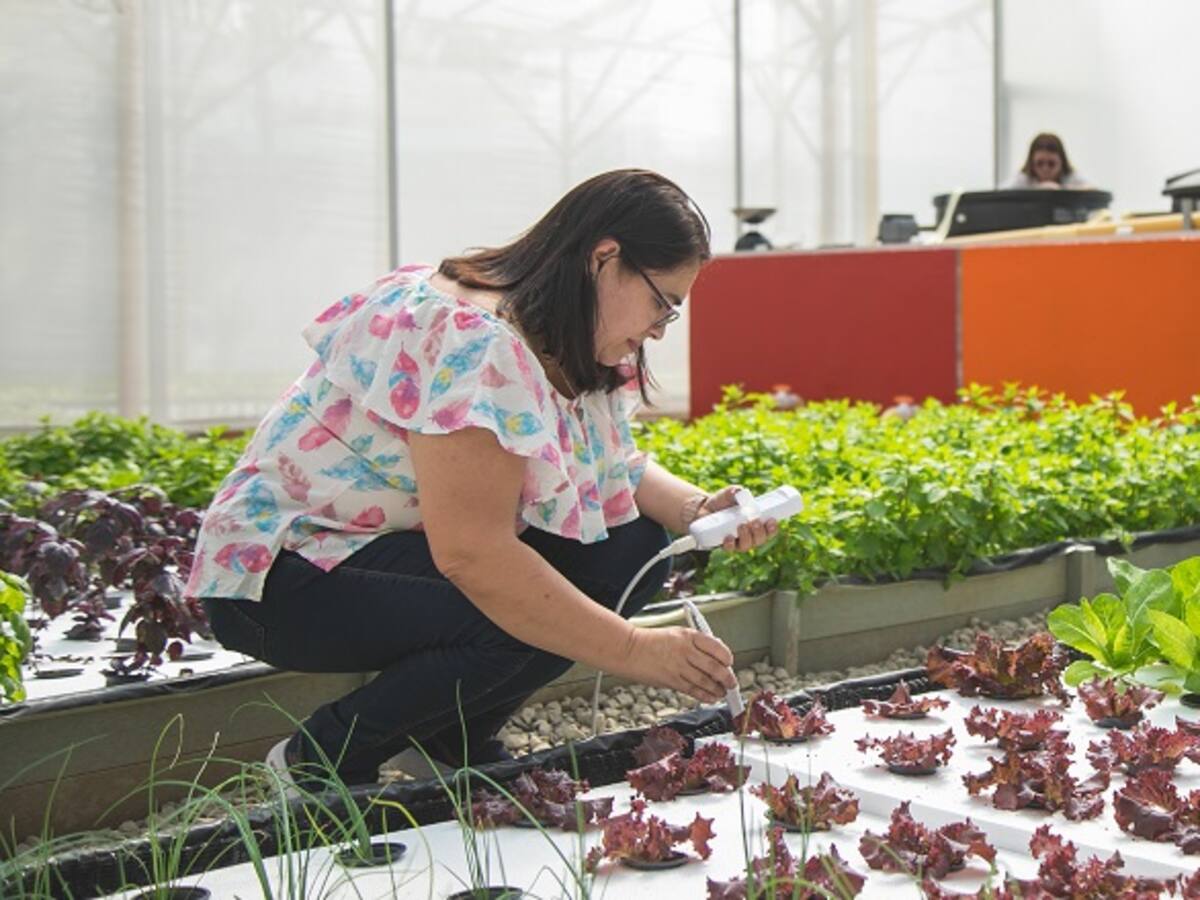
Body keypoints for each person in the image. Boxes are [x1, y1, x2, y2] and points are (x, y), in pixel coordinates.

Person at [185, 169, 779, 788]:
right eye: (664, 301)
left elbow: (615, 466)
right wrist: (633, 648)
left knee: (633, 552)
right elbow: (474, 555)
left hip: (380, 554)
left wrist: (699, 510)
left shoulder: (569, 339)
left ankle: (444, 737)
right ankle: (323, 759)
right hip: (283, 576)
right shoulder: (475, 343)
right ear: (605, 258)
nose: (662, 326)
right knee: (524, 610)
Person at [1003, 132, 1090, 190]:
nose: (1045, 169)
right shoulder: (1023, 180)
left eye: (1051, 164)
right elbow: (997, 198)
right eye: (1039, 164)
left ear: (1062, 163)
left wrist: (1062, 191)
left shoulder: (1072, 179)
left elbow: (1095, 196)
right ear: (1031, 164)